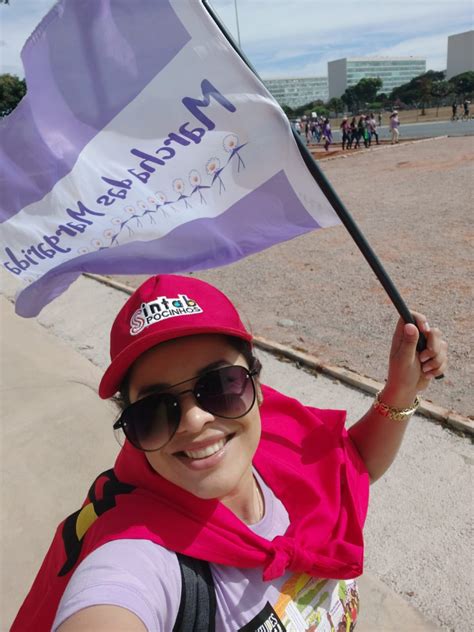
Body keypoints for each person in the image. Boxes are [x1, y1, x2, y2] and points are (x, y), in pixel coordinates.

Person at [12, 274, 447, 631]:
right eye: (154, 410)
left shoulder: (276, 447)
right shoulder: (140, 557)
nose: (194, 421)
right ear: (130, 425)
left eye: (219, 386)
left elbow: (350, 468)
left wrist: (401, 389)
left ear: (257, 384)